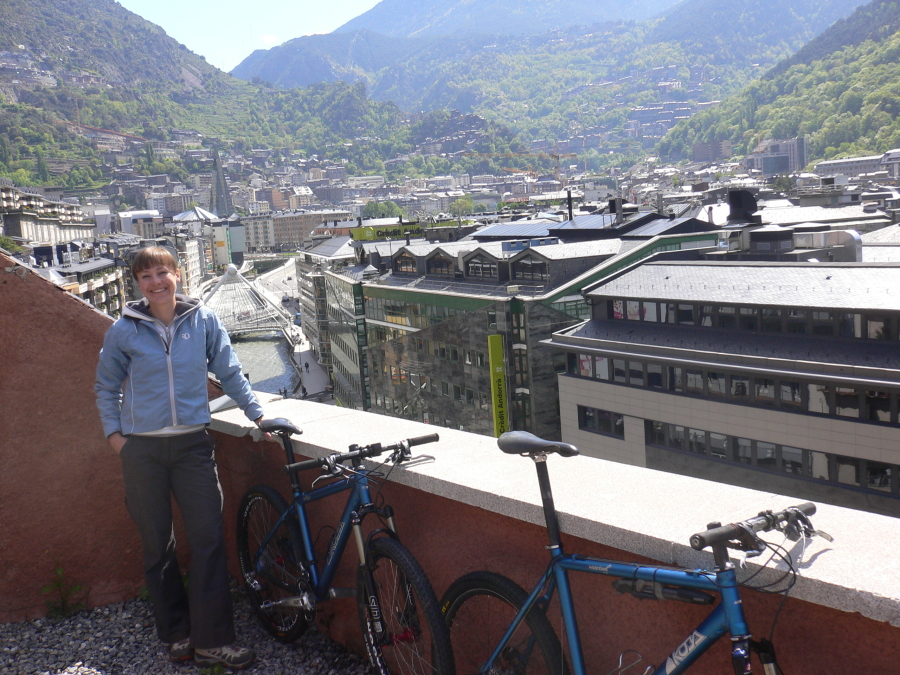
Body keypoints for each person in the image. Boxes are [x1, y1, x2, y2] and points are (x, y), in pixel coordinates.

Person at [95, 247, 265, 670]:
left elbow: (229, 371)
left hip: (192, 446)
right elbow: (107, 387)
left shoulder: (203, 321)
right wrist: (116, 438)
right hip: (142, 451)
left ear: (177, 274)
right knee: (158, 545)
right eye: (145, 276)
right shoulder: (123, 330)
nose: (155, 282)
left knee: (208, 540)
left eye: (161, 272)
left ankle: (213, 641)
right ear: (138, 284)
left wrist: (258, 414)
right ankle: (177, 634)